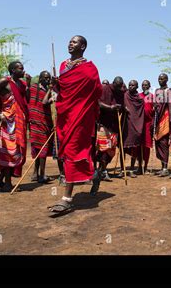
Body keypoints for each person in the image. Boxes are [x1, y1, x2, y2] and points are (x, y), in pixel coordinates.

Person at [48, 35, 102, 214]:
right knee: (66, 152)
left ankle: (67, 199)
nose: (70, 44)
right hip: (65, 114)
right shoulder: (63, 66)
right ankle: (94, 174)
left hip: (80, 116)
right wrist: (56, 84)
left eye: (75, 42)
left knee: (72, 151)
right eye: (69, 41)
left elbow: (96, 91)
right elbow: (61, 90)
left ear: (83, 46)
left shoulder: (90, 68)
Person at [0, 61, 30, 192]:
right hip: (8, 121)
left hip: (20, 122)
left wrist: (29, 84)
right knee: (9, 152)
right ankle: (8, 184)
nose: (23, 70)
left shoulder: (22, 84)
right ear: (12, 70)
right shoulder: (5, 81)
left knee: (17, 152)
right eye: (20, 68)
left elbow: (27, 100)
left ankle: (0, 180)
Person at [97, 76, 126, 180]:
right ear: (113, 83)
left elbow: (122, 105)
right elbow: (98, 103)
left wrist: (122, 108)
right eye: (116, 86)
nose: (118, 88)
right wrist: (110, 107)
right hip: (104, 124)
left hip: (114, 125)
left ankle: (100, 170)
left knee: (111, 150)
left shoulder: (120, 92)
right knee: (104, 148)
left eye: (120, 87)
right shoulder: (105, 89)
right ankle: (103, 171)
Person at [28, 71, 53, 184]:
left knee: (40, 148)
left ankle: (35, 174)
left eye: (49, 79)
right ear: (40, 79)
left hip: (45, 122)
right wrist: (50, 89)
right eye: (45, 78)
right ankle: (41, 175)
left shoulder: (48, 91)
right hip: (36, 121)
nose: (47, 80)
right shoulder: (34, 88)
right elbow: (44, 102)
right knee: (42, 148)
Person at [130, 80, 154, 174]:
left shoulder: (152, 97)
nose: (144, 86)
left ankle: (146, 167)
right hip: (138, 124)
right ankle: (139, 166)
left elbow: (154, 111)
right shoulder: (138, 96)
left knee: (146, 146)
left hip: (148, 124)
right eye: (143, 85)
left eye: (146, 85)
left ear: (149, 86)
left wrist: (153, 122)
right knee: (138, 146)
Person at [123, 80, 144, 178]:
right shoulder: (125, 95)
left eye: (133, 85)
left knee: (134, 148)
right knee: (123, 148)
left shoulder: (139, 99)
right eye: (129, 85)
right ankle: (123, 169)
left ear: (137, 87)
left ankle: (131, 169)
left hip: (135, 126)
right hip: (126, 125)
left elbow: (140, 113)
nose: (131, 86)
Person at [154, 73, 171, 176]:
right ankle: (162, 167)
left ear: (167, 79)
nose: (160, 80)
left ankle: (165, 168)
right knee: (159, 143)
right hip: (157, 119)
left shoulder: (169, 91)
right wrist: (155, 106)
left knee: (164, 143)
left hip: (165, 118)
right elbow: (157, 103)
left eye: (162, 79)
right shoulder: (157, 91)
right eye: (159, 79)